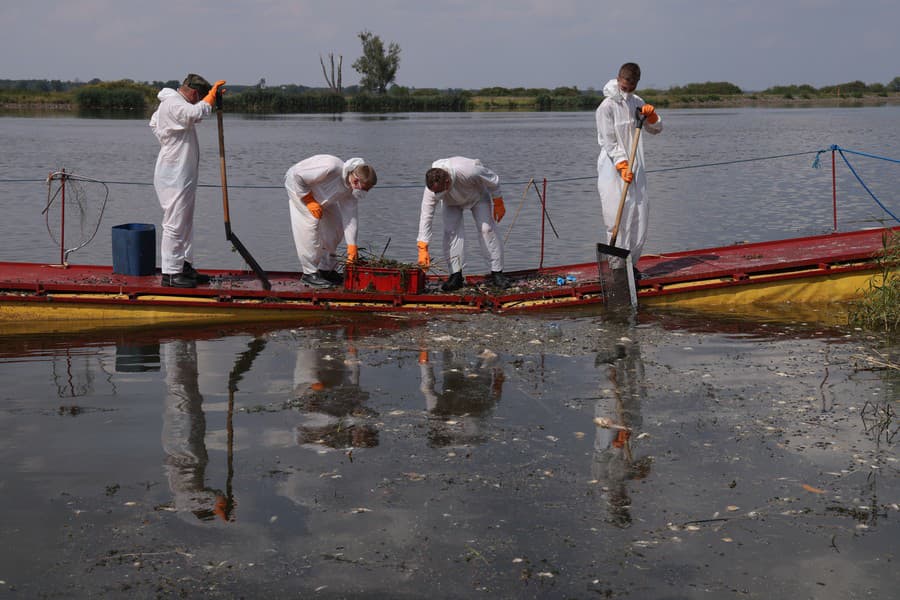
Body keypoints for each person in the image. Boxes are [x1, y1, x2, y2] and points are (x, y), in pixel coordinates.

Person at [150, 73, 226, 288]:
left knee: (185, 222)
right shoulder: (174, 104)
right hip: (173, 173)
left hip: (181, 171)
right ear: (193, 93)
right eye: (199, 97)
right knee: (174, 223)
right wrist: (210, 98)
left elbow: (157, 122)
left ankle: (183, 265)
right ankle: (171, 274)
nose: (199, 101)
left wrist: (210, 100)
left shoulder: (172, 105)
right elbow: (193, 114)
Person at [595, 62, 663, 277]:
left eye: (631, 86)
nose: (626, 89)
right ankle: (616, 266)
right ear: (618, 79)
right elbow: (609, 140)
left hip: (637, 164)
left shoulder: (638, 102)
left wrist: (652, 117)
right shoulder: (606, 106)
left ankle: (631, 264)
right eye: (624, 86)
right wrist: (621, 164)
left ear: (636, 83)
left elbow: (656, 129)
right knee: (617, 214)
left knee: (639, 214)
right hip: (612, 166)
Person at [416, 157, 509, 292]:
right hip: (451, 202)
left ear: (447, 182)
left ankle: (497, 272)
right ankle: (456, 276)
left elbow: (493, 180)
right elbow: (426, 215)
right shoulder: (432, 190)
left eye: (439, 192)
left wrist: (498, 200)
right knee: (450, 231)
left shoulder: (470, 171)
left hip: (477, 196)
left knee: (486, 229)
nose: (435, 194)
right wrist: (422, 246)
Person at [284, 155, 377, 288]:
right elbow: (297, 176)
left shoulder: (350, 190)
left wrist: (352, 246)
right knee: (310, 224)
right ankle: (309, 273)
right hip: (298, 189)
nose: (360, 191)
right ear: (356, 180)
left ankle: (326, 269)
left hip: (323, 199)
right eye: (362, 188)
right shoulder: (331, 167)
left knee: (336, 226)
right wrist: (308, 199)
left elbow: (350, 218)